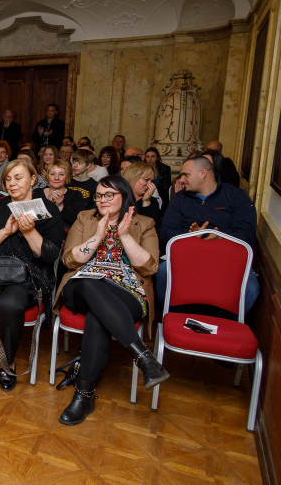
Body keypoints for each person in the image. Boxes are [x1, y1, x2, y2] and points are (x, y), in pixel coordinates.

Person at [54, 175, 166, 425]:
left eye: (109, 194)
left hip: (126, 291)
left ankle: (83, 395)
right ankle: (144, 357)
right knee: (90, 283)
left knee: (98, 316)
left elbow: (149, 267)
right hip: (81, 287)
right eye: (98, 195)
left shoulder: (144, 223)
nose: (102, 199)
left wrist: (124, 236)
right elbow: (69, 260)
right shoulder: (85, 218)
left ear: (124, 196)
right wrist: (97, 236)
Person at [0, 160, 64, 391]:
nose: (12, 183)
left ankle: (8, 361)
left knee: (9, 304)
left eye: (18, 177)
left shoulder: (47, 210)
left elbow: (50, 255)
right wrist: (6, 231)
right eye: (8, 179)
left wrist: (29, 231)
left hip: (30, 276)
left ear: (33, 179)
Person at [157, 156, 259, 315]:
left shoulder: (236, 196)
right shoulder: (180, 198)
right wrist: (190, 237)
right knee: (164, 271)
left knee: (251, 287)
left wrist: (217, 237)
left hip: (226, 260)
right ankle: (174, 319)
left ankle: (224, 325)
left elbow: (246, 235)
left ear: (203, 173)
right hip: (188, 257)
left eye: (186, 175)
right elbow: (166, 232)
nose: (181, 179)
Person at [37, 160, 85, 230]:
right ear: (47, 175)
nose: (56, 178)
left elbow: (79, 221)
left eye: (61, 174)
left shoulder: (75, 195)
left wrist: (60, 206)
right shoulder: (37, 193)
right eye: (52, 174)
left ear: (67, 177)